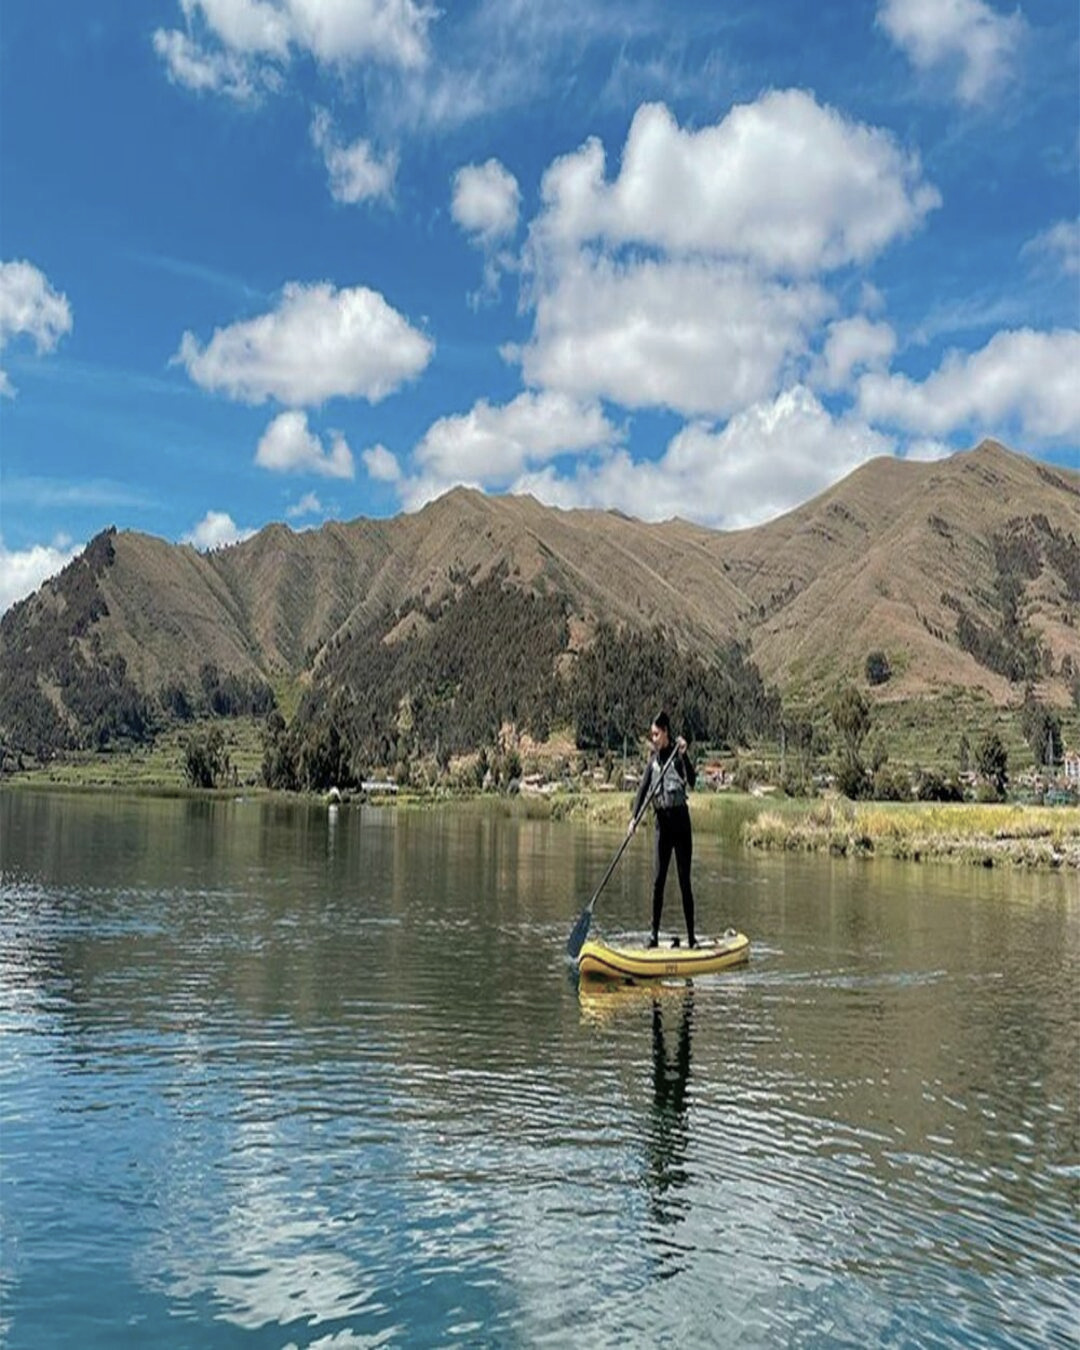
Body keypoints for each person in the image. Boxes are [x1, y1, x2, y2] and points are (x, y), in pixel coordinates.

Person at [628, 711, 697, 948]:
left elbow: (693, 781)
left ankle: (692, 939)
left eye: (656, 734)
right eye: (652, 735)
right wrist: (633, 819)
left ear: (666, 732)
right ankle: (653, 937)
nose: (653, 738)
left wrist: (685, 756)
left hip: (680, 823)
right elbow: (642, 790)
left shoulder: (677, 757)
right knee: (657, 881)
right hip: (662, 826)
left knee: (684, 882)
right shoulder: (653, 762)